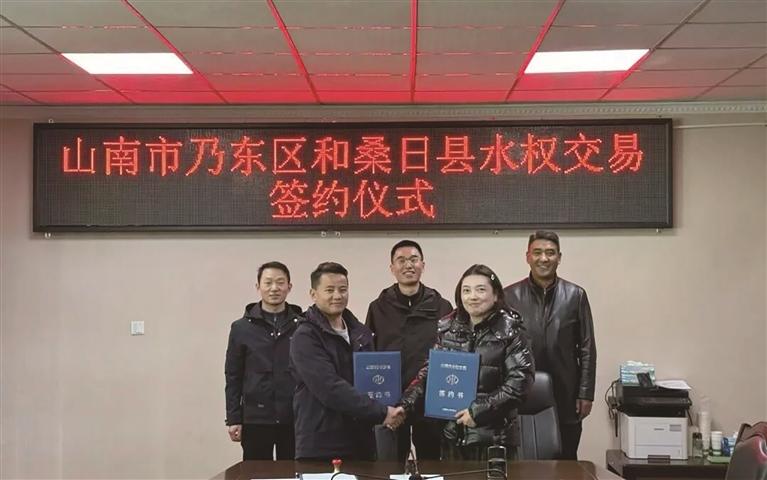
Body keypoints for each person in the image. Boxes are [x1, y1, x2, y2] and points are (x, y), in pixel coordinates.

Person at [399, 264, 534, 460]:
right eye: (466, 290)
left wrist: (477, 412)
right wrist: (406, 405)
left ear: (496, 295)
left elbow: (520, 383)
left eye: (481, 290)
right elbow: (430, 374)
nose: (473, 297)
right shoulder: (448, 330)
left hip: (494, 441)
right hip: (452, 438)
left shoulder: (511, 332)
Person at [290, 262, 405, 460]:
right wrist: (382, 412)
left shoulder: (361, 332)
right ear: (313, 294)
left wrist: (394, 407)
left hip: (361, 440)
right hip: (322, 443)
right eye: (329, 290)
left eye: (343, 290)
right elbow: (329, 388)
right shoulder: (305, 336)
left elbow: (374, 378)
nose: (337, 296)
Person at [503, 231, 597, 460]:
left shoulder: (575, 295)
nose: (543, 258)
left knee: (566, 460)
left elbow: (587, 349)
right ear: (527, 257)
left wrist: (586, 394)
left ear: (559, 257)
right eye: (537, 252)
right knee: (522, 463)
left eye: (550, 253)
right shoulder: (509, 296)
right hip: (522, 394)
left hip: (566, 393)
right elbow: (501, 347)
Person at [365, 240, 453, 460]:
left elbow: (451, 352)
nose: (408, 265)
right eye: (401, 260)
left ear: (423, 265)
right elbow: (370, 354)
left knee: (432, 463)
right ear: (392, 268)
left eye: (414, 260)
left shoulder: (442, 306)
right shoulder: (378, 307)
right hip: (392, 401)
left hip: (430, 399)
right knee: (390, 464)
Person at [224, 261, 303, 460]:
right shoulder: (241, 328)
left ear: (289, 287)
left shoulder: (303, 326)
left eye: (280, 282)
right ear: (258, 287)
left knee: (294, 471)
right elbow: (233, 375)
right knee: (256, 472)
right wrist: (233, 418)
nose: (274, 288)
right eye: (268, 283)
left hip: (294, 416)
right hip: (255, 418)